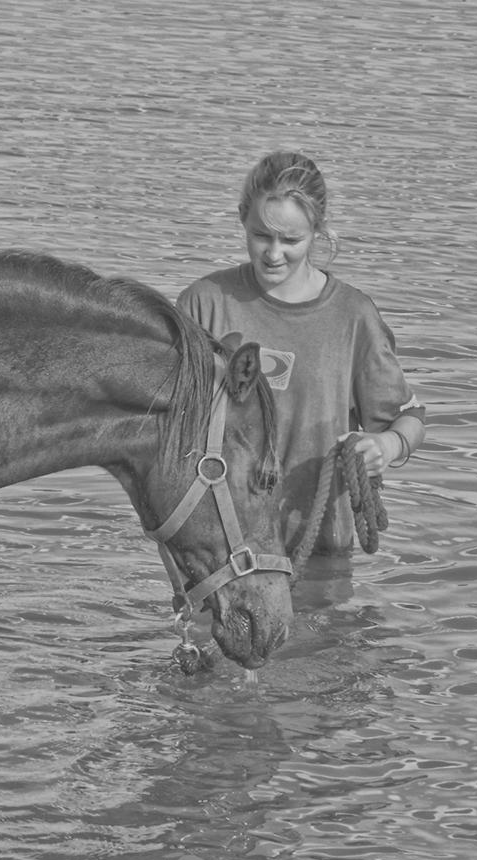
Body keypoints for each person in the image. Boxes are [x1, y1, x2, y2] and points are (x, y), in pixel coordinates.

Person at [177, 150, 425, 558]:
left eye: (291, 240)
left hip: (318, 548)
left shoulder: (353, 317)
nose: (274, 254)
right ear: (243, 218)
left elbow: (409, 419)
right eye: (261, 235)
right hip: (217, 552)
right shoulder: (203, 305)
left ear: (317, 231)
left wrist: (387, 446)